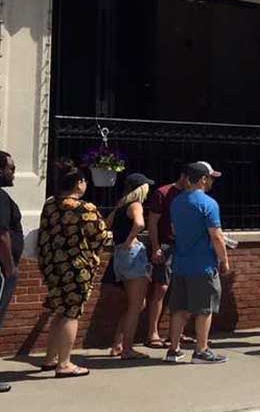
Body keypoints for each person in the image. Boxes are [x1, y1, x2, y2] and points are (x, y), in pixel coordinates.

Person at [37, 160, 111, 378]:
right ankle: (65, 363)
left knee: (59, 310)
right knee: (71, 313)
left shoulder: (50, 204)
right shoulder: (84, 208)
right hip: (76, 266)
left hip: (52, 266)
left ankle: (50, 358)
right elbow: (101, 235)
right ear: (79, 183)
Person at [163, 162, 231, 364]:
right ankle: (201, 350)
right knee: (204, 309)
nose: (211, 181)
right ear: (202, 179)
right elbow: (216, 236)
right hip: (202, 265)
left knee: (179, 309)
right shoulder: (209, 204)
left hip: (181, 263)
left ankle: (173, 350)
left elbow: (175, 230)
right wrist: (224, 260)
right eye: (210, 178)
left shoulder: (176, 202)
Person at [107, 172, 155, 360]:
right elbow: (140, 223)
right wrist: (130, 240)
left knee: (135, 304)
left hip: (119, 254)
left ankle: (118, 344)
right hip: (132, 254)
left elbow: (105, 225)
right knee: (136, 305)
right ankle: (127, 348)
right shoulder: (136, 205)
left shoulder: (119, 207)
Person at [142, 170, 189, 349]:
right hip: (166, 245)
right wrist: (156, 247)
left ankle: (176, 333)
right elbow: (152, 222)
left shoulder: (191, 195)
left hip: (184, 247)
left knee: (181, 289)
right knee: (161, 288)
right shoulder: (163, 193)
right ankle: (152, 333)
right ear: (183, 176)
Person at [0, 151, 22, 392]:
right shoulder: (1, 198)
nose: (12, 173)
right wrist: (9, 267)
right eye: (10, 168)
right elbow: (2, 234)